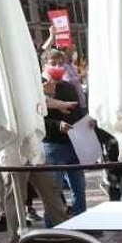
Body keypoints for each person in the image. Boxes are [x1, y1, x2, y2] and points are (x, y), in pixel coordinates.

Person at [41, 50, 88, 226]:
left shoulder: (68, 87)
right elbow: (39, 118)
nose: (58, 67)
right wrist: (57, 125)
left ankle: (83, 224)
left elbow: (77, 113)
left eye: (61, 63)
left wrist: (87, 124)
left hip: (73, 143)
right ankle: (53, 228)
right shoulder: (38, 87)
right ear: (44, 64)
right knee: (53, 191)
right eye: (53, 63)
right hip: (53, 145)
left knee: (79, 188)